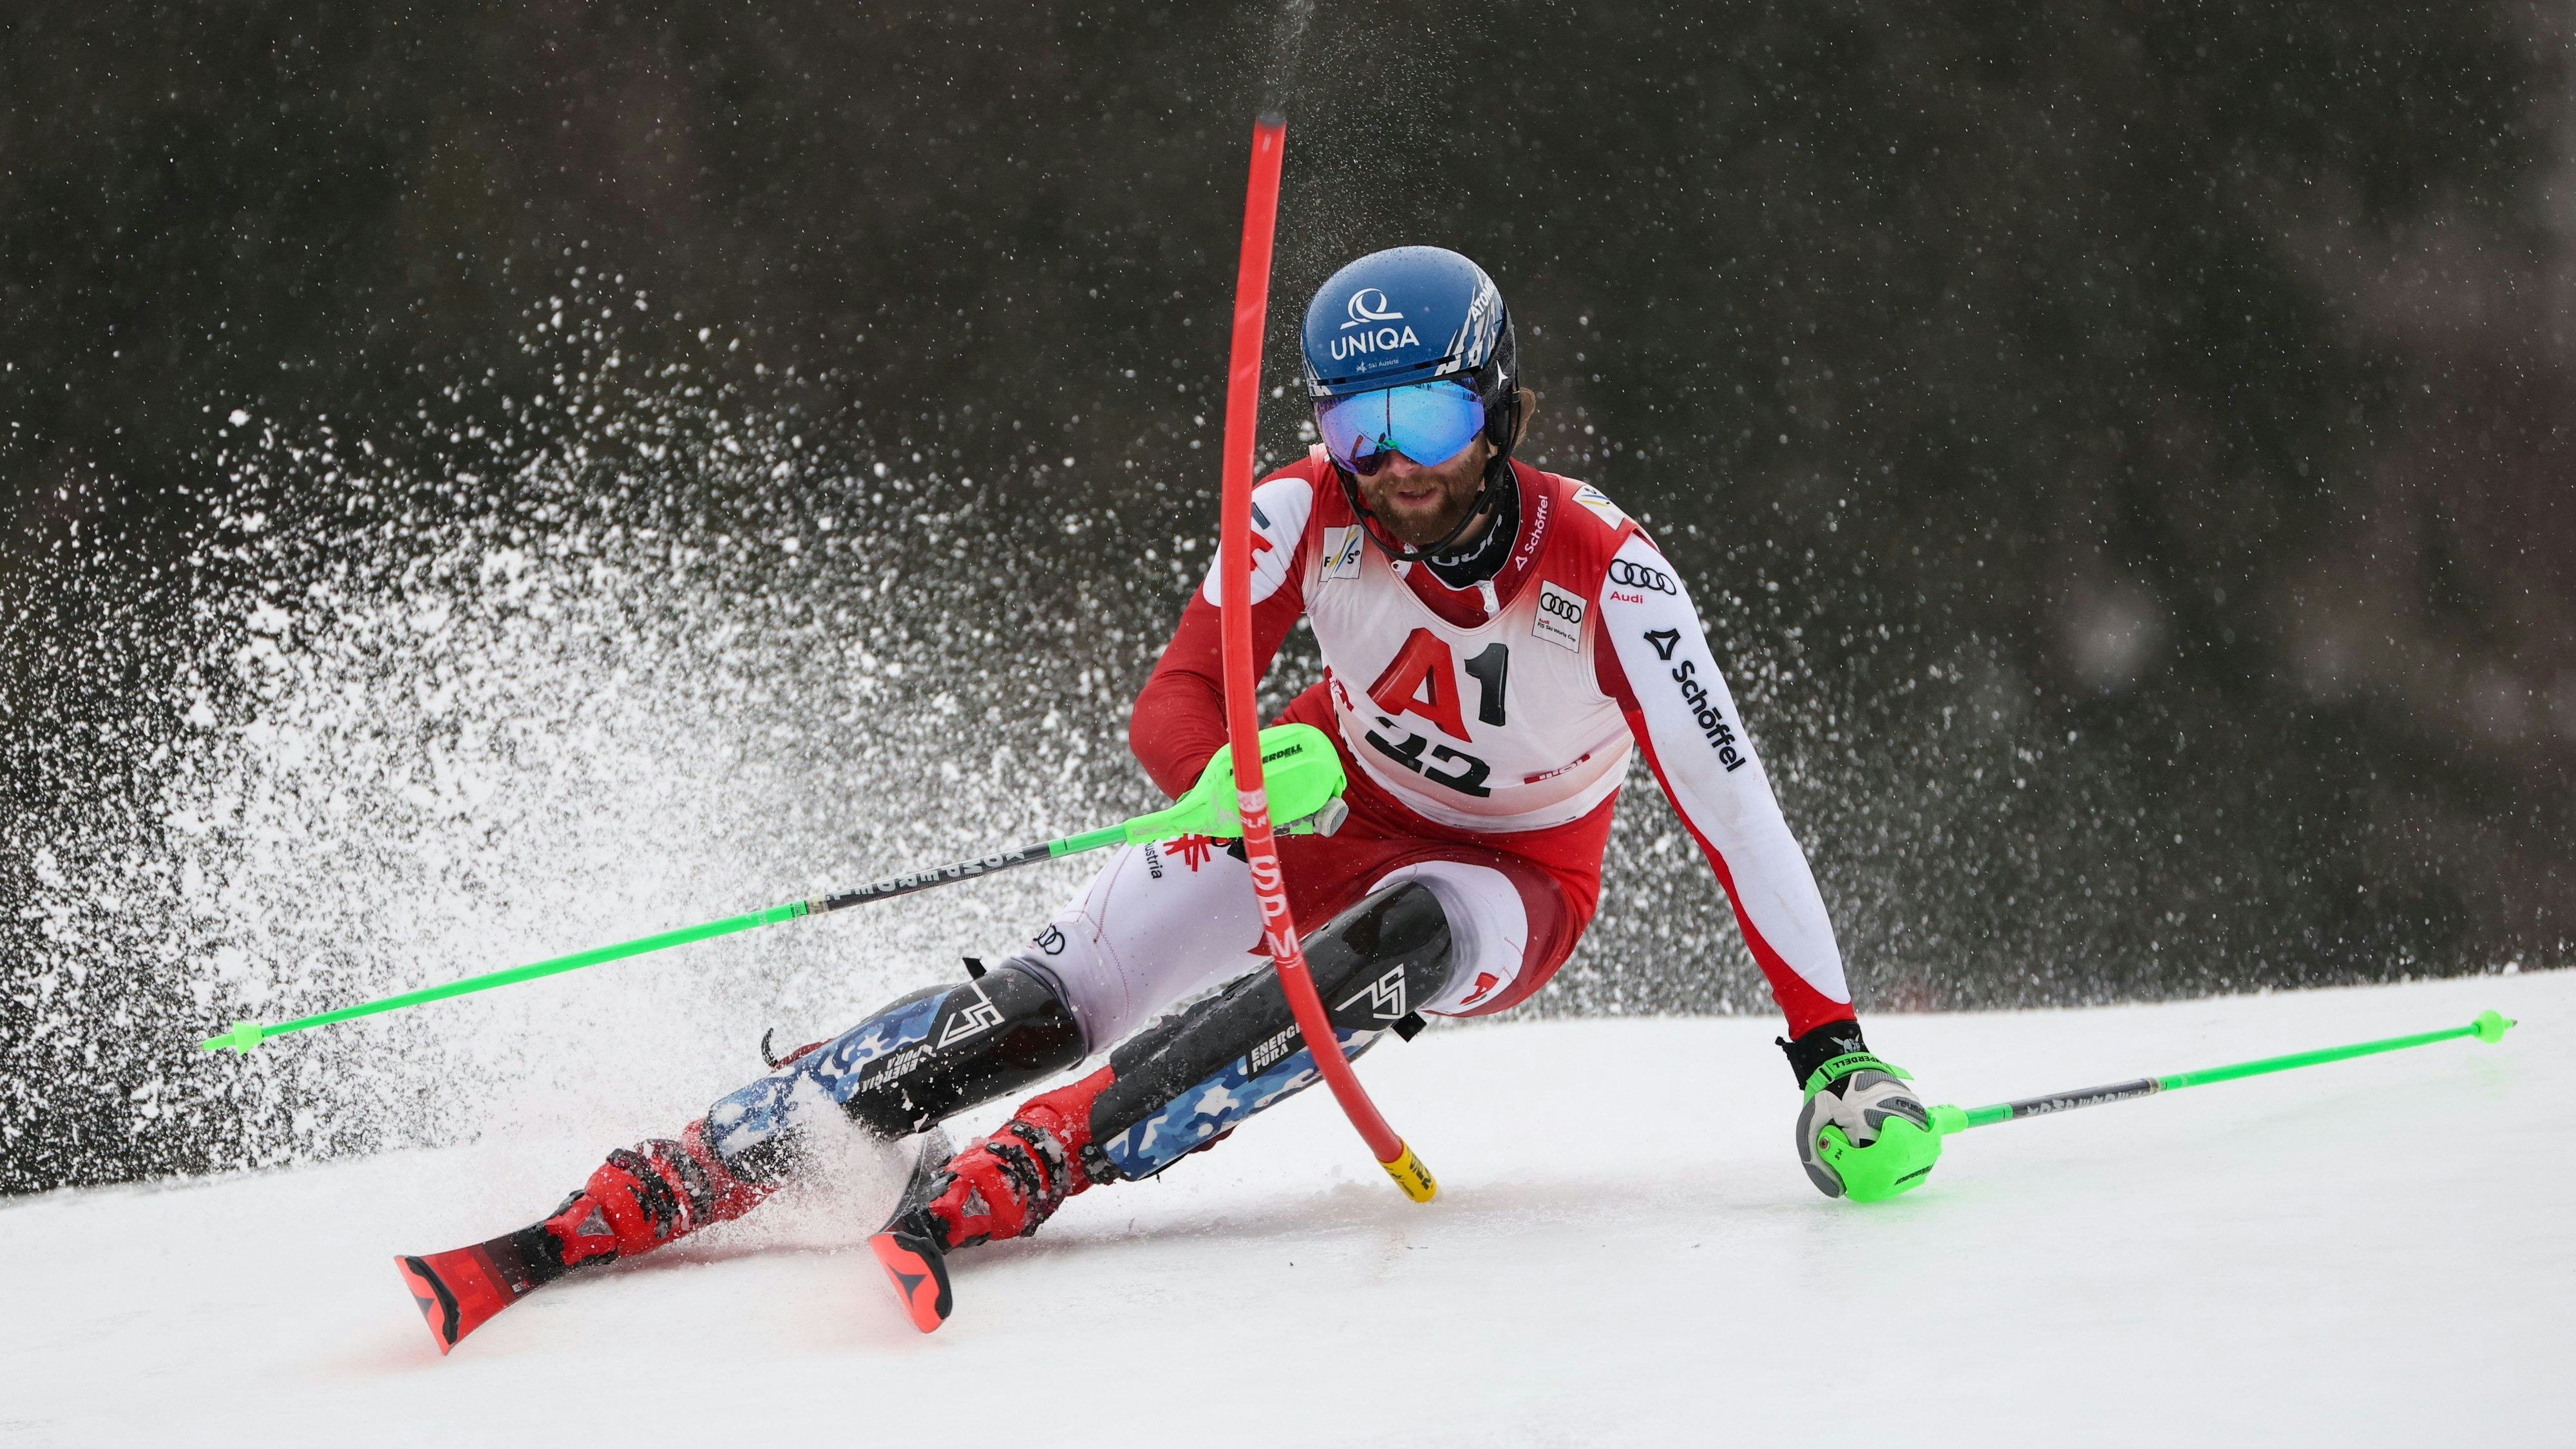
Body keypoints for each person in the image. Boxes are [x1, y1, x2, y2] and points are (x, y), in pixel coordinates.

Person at [396, 246, 1935, 1350]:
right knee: (1051, 992)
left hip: (1507, 883)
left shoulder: (1613, 581)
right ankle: (720, 1155)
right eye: (1357, 427)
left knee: (1391, 929)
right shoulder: (1297, 512)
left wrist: (1830, 1056)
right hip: (1318, 798)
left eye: (1431, 426)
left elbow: (1739, 819)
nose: (1393, 469)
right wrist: (1222, 777)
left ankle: (1051, 1155)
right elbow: (1180, 691)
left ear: (1501, 415)